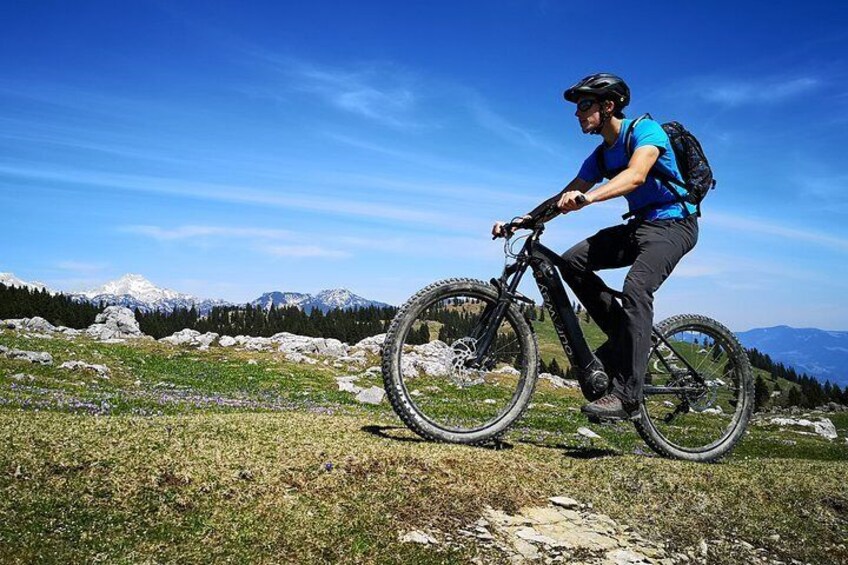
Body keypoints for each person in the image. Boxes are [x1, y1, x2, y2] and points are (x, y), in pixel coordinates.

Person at [492, 73, 699, 420]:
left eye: (584, 105)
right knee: (573, 261)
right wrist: (523, 220)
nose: (577, 113)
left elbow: (636, 175)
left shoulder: (645, 132)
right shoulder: (601, 156)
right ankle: (624, 337)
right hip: (639, 226)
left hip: (675, 225)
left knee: (636, 287)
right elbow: (564, 195)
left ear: (608, 106)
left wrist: (587, 198)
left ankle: (629, 397)